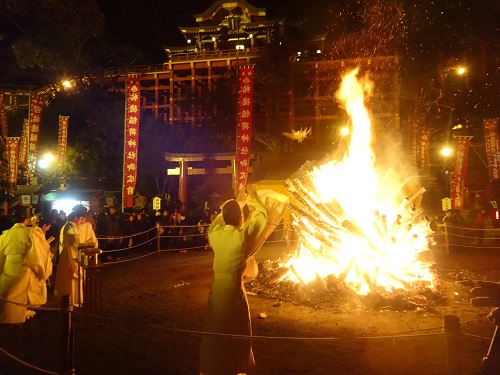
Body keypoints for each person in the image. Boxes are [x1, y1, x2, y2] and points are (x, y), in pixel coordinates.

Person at [199, 189, 289, 375]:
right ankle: (238, 367)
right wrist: (252, 200)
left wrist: (236, 204)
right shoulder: (241, 237)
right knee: (237, 328)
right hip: (233, 290)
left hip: (217, 290)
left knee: (215, 329)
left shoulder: (215, 235)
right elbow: (261, 218)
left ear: (224, 217)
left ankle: (214, 367)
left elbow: (215, 224)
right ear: (240, 219)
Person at [0, 206, 47, 323]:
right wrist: (41, 271)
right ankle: (16, 317)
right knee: (20, 292)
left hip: (8, 266)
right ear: (26, 219)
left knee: (8, 293)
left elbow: (1, 253)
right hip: (23, 267)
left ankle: (8, 316)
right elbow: (37, 253)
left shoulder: (5, 234)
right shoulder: (30, 233)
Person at [54, 204, 89, 307]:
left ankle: (73, 300)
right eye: (81, 218)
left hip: (69, 253)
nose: (81, 221)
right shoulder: (70, 227)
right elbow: (76, 241)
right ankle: (71, 300)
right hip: (71, 255)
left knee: (70, 278)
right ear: (76, 218)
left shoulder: (68, 226)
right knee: (71, 278)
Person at [27, 216, 54, 306]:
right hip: (36, 261)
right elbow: (38, 249)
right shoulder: (36, 233)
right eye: (48, 226)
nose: (49, 228)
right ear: (44, 225)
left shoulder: (39, 233)